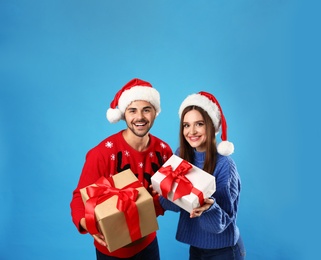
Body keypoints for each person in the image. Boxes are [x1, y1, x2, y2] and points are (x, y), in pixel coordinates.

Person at [70, 78, 173, 260]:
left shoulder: (164, 151)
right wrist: (91, 226)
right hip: (111, 251)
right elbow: (79, 198)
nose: (140, 117)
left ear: (155, 113)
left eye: (146, 110)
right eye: (132, 110)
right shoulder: (101, 153)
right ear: (124, 114)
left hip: (148, 244)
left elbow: (170, 195)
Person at [158, 91, 246, 259]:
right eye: (186, 125)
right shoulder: (181, 155)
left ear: (211, 125)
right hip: (196, 247)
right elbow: (173, 206)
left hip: (224, 250)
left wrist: (209, 208)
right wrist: (164, 188)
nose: (191, 131)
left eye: (199, 124)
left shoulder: (225, 165)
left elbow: (221, 224)